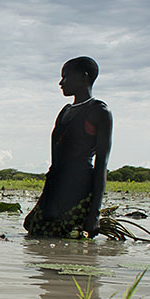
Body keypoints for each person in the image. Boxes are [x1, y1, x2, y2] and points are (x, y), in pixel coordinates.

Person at [24, 56, 112, 238]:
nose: (61, 82)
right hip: (55, 186)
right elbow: (56, 162)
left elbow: (101, 165)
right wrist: (43, 199)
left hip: (78, 190)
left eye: (65, 77)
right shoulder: (65, 111)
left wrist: (94, 214)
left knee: (69, 241)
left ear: (84, 77)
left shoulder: (99, 112)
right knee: (33, 230)